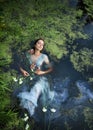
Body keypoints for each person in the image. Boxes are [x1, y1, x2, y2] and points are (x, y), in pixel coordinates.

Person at [17, 38, 54, 116]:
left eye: (42, 45)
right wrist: (23, 71)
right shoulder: (28, 53)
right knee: (21, 87)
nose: (41, 45)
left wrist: (42, 72)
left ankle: (29, 110)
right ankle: (21, 109)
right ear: (35, 44)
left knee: (37, 88)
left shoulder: (44, 57)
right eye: (39, 43)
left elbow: (51, 69)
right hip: (28, 75)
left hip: (39, 77)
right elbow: (19, 63)